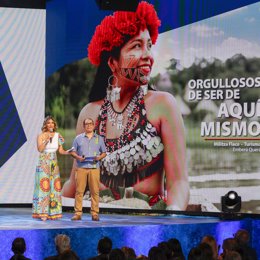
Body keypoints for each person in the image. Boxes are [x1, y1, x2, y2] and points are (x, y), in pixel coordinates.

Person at [62, 1, 189, 211]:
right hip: (96, 219)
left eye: (149, 45)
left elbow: (179, 183)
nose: (148, 55)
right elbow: (75, 183)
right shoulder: (90, 113)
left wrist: (171, 221)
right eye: (137, 46)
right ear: (112, 63)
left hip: (146, 221)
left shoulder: (163, 105)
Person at [32, 116, 69, 221]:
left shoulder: (58, 136)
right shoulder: (41, 136)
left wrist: (68, 152)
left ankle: (53, 212)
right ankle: (42, 213)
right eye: (48, 123)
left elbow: (61, 151)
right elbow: (40, 149)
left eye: (52, 123)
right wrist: (46, 140)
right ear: (45, 125)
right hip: (43, 162)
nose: (51, 125)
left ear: (54, 125)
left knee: (55, 186)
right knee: (44, 186)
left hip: (54, 163)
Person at [70, 118, 106, 221]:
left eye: (90, 124)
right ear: (84, 126)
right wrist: (78, 157)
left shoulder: (99, 139)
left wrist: (99, 157)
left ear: (93, 125)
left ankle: (94, 213)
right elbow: (73, 152)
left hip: (94, 168)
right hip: (81, 167)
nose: (89, 125)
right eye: (86, 124)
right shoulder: (78, 138)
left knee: (95, 191)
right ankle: (78, 213)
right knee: (79, 191)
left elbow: (104, 152)